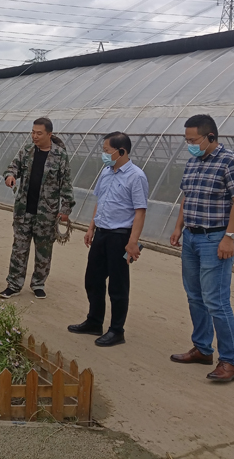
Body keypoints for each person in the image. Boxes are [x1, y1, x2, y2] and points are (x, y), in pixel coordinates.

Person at [169, 114, 234, 382]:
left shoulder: (230, 162)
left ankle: (230, 361)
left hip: (215, 239)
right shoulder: (193, 163)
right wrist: (179, 227)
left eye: (193, 140)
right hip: (192, 237)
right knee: (194, 296)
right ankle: (202, 348)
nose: (190, 145)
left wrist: (229, 237)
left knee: (216, 300)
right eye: (187, 140)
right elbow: (187, 197)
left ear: (210, 137)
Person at [68, 132, 148, 347]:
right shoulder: (105, 172)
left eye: (107, 151)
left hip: (120, 236)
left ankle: (116, 330)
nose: (104, 154)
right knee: (93, 279)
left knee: (118, 285)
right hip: (101, 233)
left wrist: (133, 242)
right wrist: (91, 228)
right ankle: (94, 321)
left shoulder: (136, 176)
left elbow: (140, 211)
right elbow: (100, 201)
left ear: (121, 152)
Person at [0, 117, 74, 300]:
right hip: (23, 210)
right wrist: (10, 176)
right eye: (32, 132)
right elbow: (12, 167)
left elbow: (66, 183)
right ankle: (14, 285)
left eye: (39, 133)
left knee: (44, 251)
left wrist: (65, 209)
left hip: (46, 214)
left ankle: (38, 284)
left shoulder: (60, 156)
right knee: (19, 249)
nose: (34, 136)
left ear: (49, 134)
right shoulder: (27, 151)